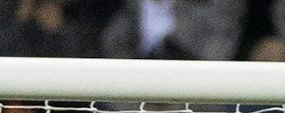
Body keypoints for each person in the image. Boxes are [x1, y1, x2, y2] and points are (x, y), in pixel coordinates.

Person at [101, 0, 247, 61]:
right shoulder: (124, 14)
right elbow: (110, 61)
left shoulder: (212, 9)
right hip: (134, 107)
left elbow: (215, 58)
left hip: (194, 105)